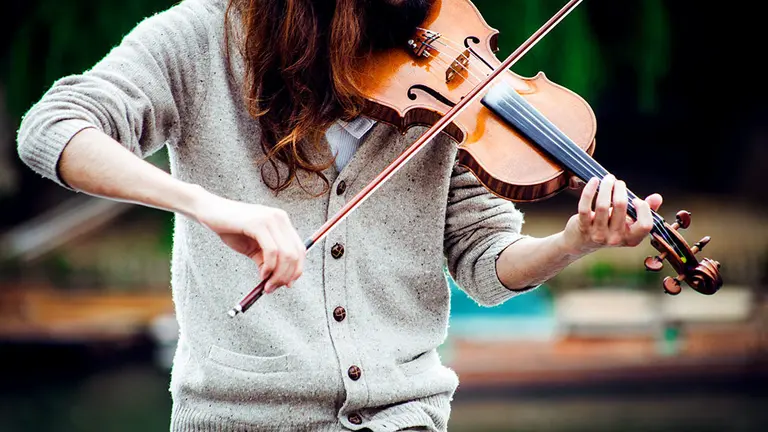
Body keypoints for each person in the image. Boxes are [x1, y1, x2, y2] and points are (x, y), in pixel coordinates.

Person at [16, 0, 663, 430]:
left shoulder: (445, 70)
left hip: (403, 419)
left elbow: (487, 263)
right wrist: (204, 206)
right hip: (239, 421)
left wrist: (574, 241)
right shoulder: (199, 38)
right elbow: (51, 128)